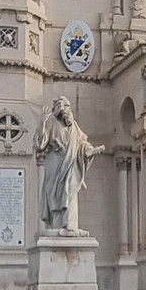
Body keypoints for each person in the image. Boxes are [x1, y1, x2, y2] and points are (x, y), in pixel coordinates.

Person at [33, 96, 105, 235]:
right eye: (65, 107)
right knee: (55, 194)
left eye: (69, 108)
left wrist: (91, 150)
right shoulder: (51, 123)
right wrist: (42, 122)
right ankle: (56, 225)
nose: (68, 111)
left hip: (72, 165)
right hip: (55, 164)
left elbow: (82, 142)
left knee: (71, 193)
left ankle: (70, 225)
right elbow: (40, 144)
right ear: (60, 110)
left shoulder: (74, 126)